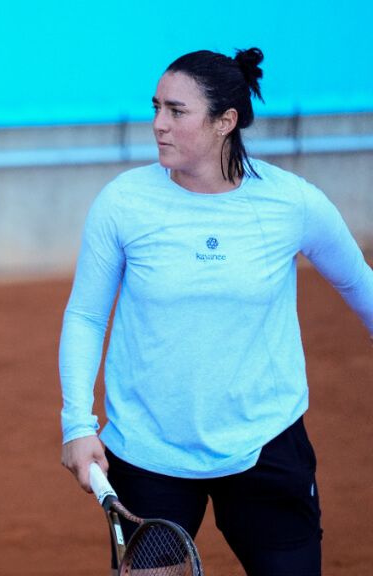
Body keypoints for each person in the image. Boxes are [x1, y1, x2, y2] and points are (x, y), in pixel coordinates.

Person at [59, 47, 373, 575]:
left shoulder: (292, 203)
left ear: (226, 121)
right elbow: (86, 316)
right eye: (156, 107)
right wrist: (76, 423)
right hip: (147, 452)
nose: (158, 124)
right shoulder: (124, 203)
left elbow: (357, 281)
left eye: (176, 111)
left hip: (265, 443)